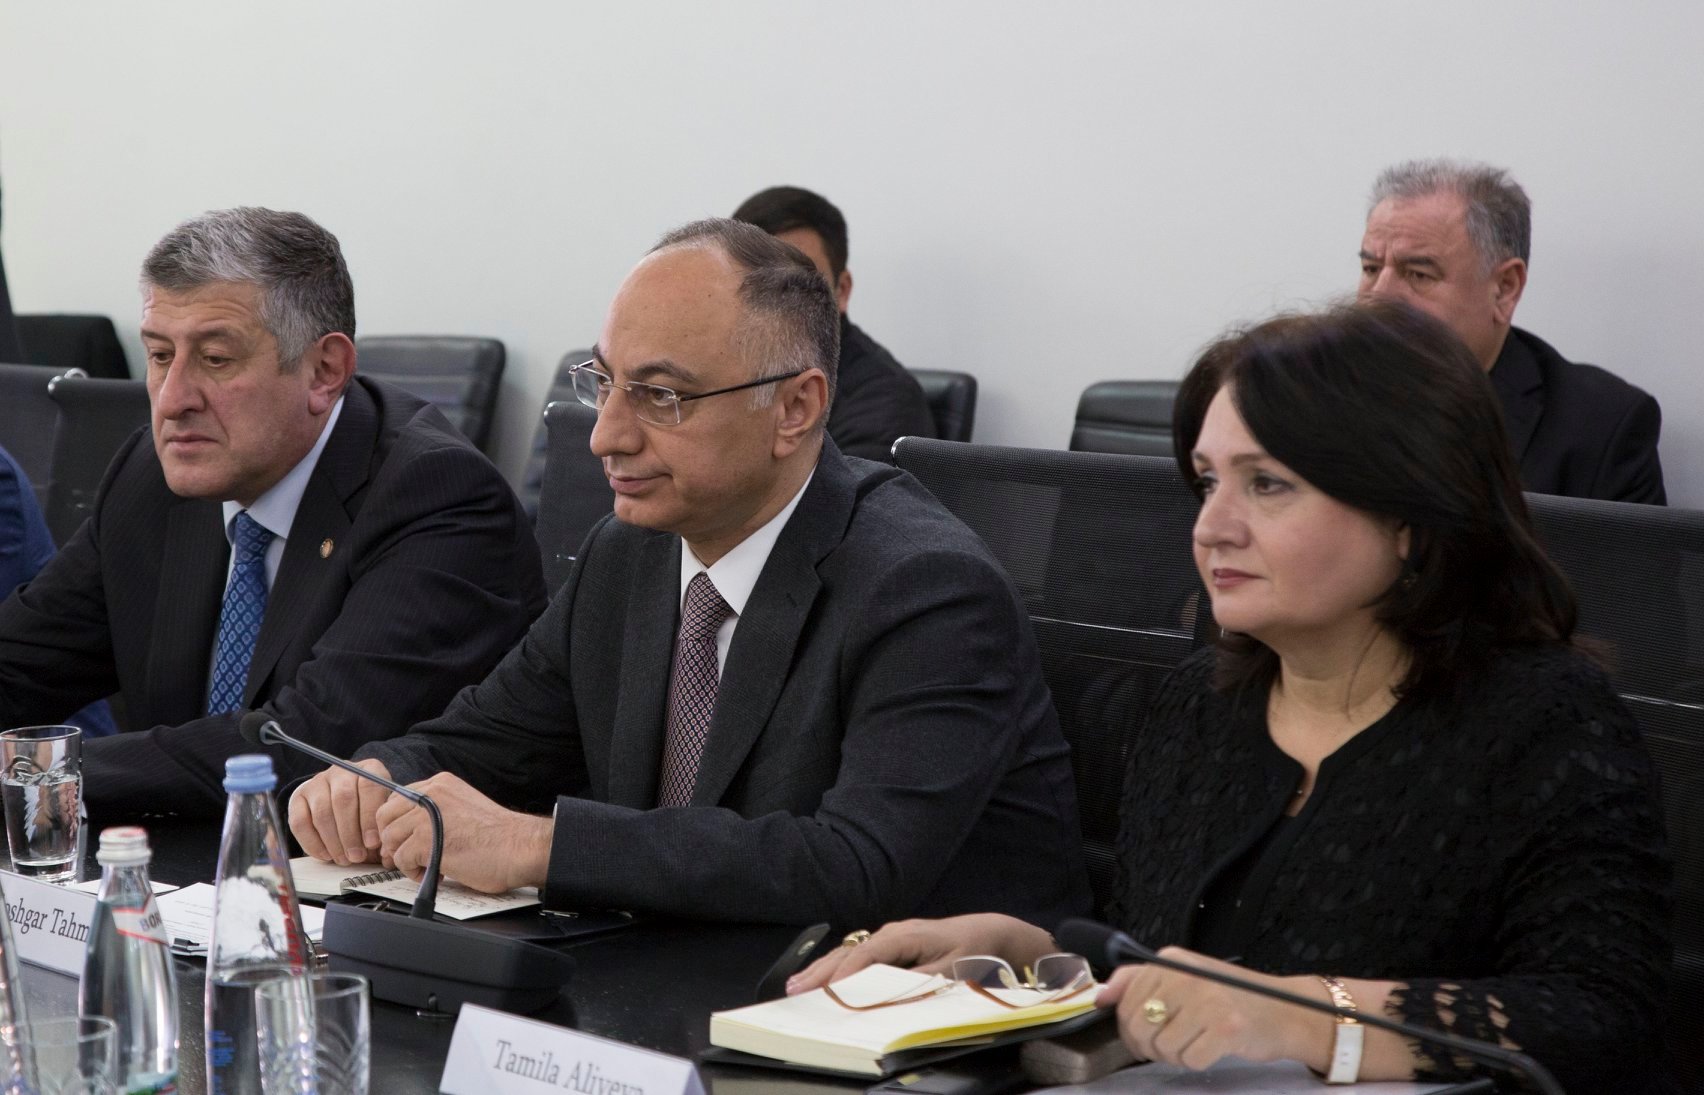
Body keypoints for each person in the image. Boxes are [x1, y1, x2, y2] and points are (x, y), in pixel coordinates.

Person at [793, 300, 1671, 1092]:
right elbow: (1169, 967)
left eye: (1267, 485)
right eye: (1209, 481)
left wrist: (1311, 1016)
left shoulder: (1549, 725)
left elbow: (1598, 1020)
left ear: (1410, 515)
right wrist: (1022, 950)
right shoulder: (1199, 705)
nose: (1212, 525)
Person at [289, 218, 1089, 929]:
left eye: (661, 396)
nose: (605, 436)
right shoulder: (626, 552)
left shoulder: (927, 587)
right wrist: (381, 777)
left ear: (795, 408)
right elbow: (491, 740)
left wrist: (541, 844)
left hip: (924, 1013)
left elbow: (854, 865)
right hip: (677, 975)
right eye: (605, 383)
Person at [0, 207, 546, 817]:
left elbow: (307, 747)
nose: (173, 400)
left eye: (215, 359)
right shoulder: (153, 476)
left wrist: (40, 776)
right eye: (159, 356)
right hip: (184, 855)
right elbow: (20, 665)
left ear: (324, 371)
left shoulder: (438, 498)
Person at [1358, 157, 1665, 504]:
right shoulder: (1322, 393)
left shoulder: (1602, 427)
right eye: (1371, 268)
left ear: (1505, 288)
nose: (1379, 297)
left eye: (1418, 274)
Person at [732, 185, 938, 460]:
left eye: (795, 285)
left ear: (841, 290)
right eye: (754, 284)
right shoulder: (720, 374)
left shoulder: (886, 403)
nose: (771, 304)